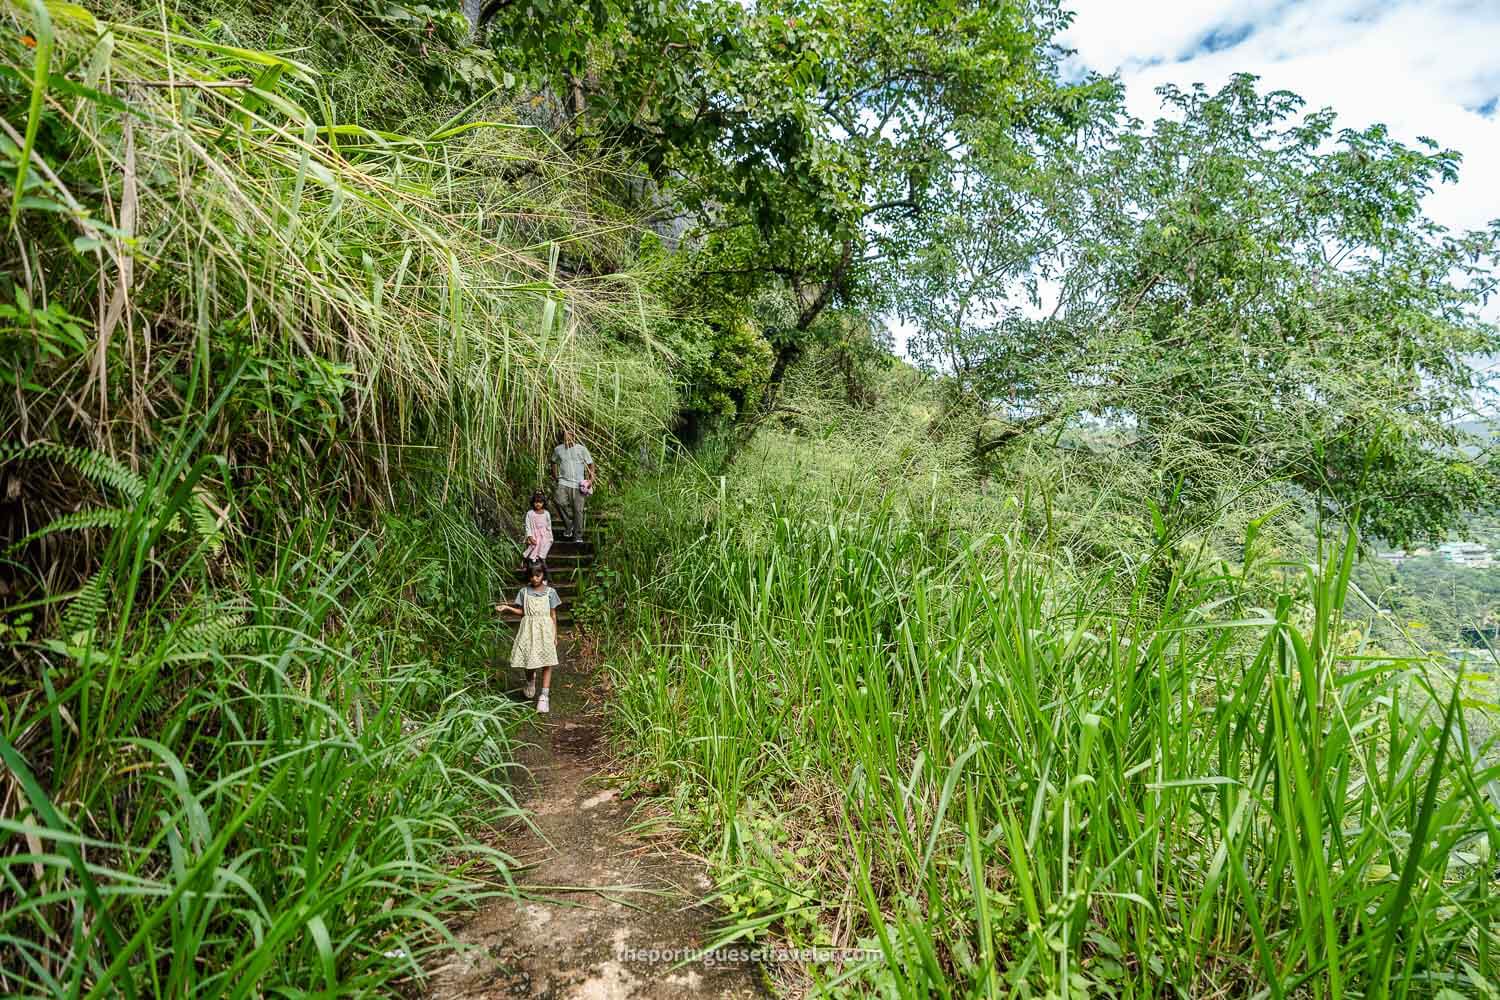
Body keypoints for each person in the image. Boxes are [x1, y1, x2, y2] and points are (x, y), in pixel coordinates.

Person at [497, 561, 561, 713]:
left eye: (538, 575)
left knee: (547, 661)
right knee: (529, 660)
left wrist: (555, 634)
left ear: (543, 574)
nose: (535, 578)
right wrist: (507, 608)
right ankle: (530, 680)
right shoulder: (524, 592)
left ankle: (544, 696)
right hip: (528, 630)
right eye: (532, 575)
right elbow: (523, 612)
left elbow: (553, 614)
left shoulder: (550, 592)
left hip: (545, 630)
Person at [549, 429, 596, 541]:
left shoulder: (581, 449)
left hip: (578, 484)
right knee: (558, 501)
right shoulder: (558, 449)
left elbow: (591, 465)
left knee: (578, 510)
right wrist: (555, 476)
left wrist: (590, 480)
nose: (568, 437)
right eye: (566, 435)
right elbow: (553, 462)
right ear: (562, 437)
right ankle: (569, 525)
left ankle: (578, 536)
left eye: (571, 435)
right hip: (563, 482)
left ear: (574, 436)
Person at [522, 491, 552, 568]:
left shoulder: (546, 513)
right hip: (534, 534)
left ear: (543, 503)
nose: (538, 504)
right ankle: (527, 560)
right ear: (533, 503)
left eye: (540, 502)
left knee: (542, 547)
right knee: (533, 545)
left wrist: (549, 536)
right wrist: (530, 536)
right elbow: (528, 526)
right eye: (536, 502)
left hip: (544, 535)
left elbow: (549, 526)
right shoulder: (530, 513)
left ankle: (540, 561)